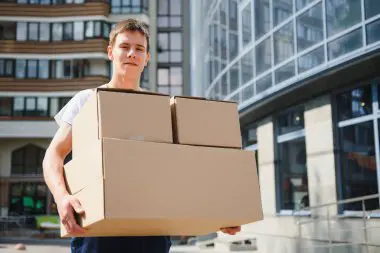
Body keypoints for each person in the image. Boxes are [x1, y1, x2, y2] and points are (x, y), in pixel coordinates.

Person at [42, 18, 240, 253]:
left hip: (151, 233)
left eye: (139, 49)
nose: (131, 54)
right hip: (96, 232)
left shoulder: (162, 107)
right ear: (110, 52)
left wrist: (220, 214)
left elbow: (186, 169)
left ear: (147, 58)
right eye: (124, 47)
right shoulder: (87, 100)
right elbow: (53, 155)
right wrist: (62, 197)